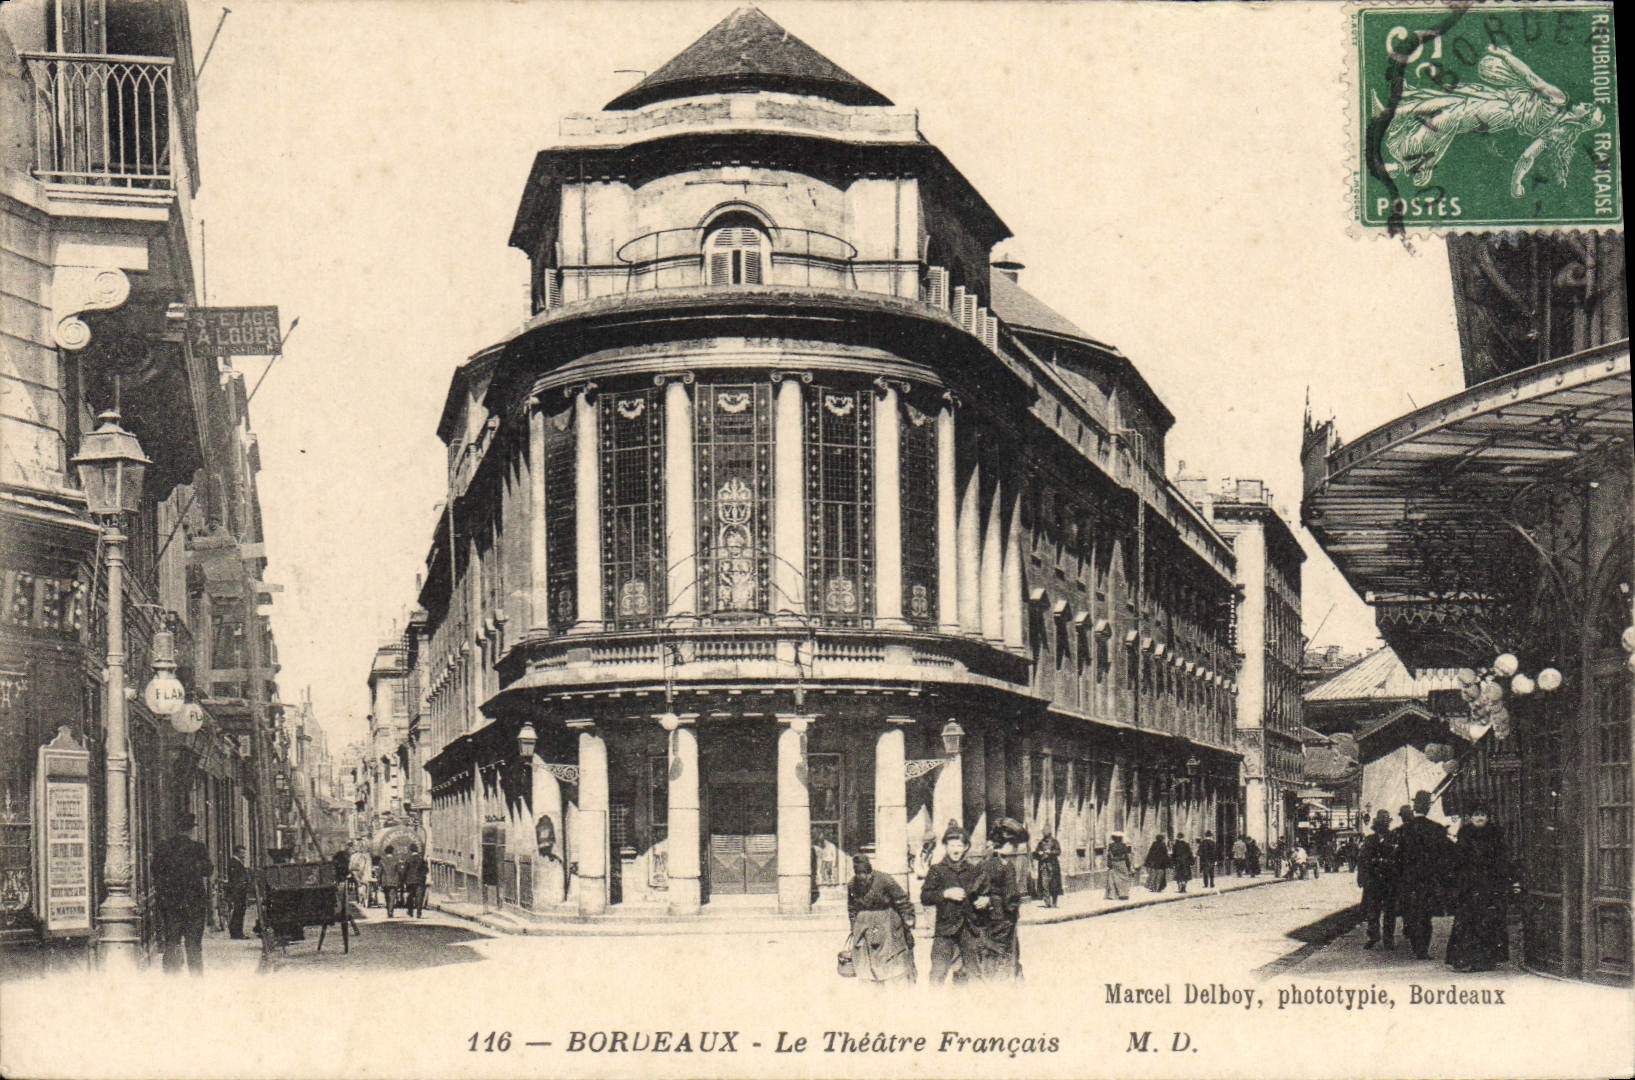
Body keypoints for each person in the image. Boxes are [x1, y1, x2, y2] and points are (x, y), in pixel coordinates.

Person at [1445, 804, 1512, 972]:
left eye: (1482, 814)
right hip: (1469, 885)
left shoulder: (1496, 834)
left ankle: (1487, 960)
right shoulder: (1465, 833)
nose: (1479, 818)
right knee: (1467, 921)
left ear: (1488, 817)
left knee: (1488, 920)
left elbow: (1502, 860)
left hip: (1489, 885)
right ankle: (1464, 959)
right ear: (1470, 817)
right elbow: (1458, 860)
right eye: (1476, 814)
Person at [920, 821, 985, 984]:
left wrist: (985, 900)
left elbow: (982, 893)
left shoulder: (973, 870)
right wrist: (945, 894)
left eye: (959, 845)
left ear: (965, 848)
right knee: (938, 972)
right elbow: (925, 897)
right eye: (952, 845)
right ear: (946, 847)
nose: (956, 849)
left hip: (968, 928)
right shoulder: (937, 870)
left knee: (972, 973)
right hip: (945, 929)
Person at [151, 812, 213, 975]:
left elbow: (155, 871)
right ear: (191, 829)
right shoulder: (198, 848)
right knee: (193, 945)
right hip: (194, 904)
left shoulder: (163, 848)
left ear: (176, 828)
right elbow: (209, 870)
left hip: (170, 903)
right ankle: (196, 980)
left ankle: (171, 979)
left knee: (171, 942)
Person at [842, 854, 917, 985]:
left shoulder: (885, 880)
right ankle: (873, 985)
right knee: (866, 957)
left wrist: (908, 917)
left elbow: (901, 899)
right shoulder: (852, 885)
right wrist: (853, 926)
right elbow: (852, 907)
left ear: (870, 870)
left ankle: (897, 983)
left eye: (865, 873)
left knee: (891, 956)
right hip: (864, 924)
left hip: (886, 921)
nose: (862, 877)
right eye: (859, 873)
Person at [1395, 790, 1452, 959]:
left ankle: (1416, 946)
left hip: (1408, 881)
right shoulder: (1437, 829)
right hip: (1429, 880)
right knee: (1425, 915)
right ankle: (1422, 950)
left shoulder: (1402, 830)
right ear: (1428, 807)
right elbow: (1446, 856)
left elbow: (1397, 858)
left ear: (1414, 806)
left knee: (1411, 913)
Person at [966, 823, 1024, 981]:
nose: (1015, 848)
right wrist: (988, 899)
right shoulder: (994, 864)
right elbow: (974, 889)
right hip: (999, 918)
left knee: (1005, 952)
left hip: (1003, 916)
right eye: (1013, 844)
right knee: (1000, 953)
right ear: (1004, 844)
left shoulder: (1000, 863)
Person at [1358, 810, 1397, 949]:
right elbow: (1362, 859)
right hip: (1373, 881)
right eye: (1381, 823)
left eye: (1385, 823)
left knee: (1389, 911)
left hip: (1389, 880)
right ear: (1377, 825)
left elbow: (1398, 858)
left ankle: (1388, 938)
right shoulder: (1370, 840)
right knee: (1372, 911)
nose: (1383, 825)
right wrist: (1361, 877)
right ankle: (1373, 936)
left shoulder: (1394, 838)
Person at [225, 845, 251, 940]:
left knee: (239, 911)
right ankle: (237, 933)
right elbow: (236, 879)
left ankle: (237, 932)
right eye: (242, 853)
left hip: (240, 890)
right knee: (238, 911)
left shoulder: (237, 862)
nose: (244, 855)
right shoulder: (234, 863)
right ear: (237, 853)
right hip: (238, 891)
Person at [1032, 830, 1063, 908]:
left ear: (1049, 835)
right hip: (1043, 866)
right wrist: (1038, 853)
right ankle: (1047, 903)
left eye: (1047, 836)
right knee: (1044, 884)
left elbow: (1058, 851)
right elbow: (1035, 854)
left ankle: (1054, 902)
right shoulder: (1041, 843)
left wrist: (1051, 852)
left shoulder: (1054, 842)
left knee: (1054, 884)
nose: (1045, 838)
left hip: (1052, 866)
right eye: (1044, 835)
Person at [1105, 832, 1135, 900]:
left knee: (1114, 879)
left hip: (1114, 863)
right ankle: (1123, 894)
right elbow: (1126, 857)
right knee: (1124, 878)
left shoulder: (1111, 846)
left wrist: (1109, 864)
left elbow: (1109, 855)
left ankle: (1113, 895)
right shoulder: (1123, 846)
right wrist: (1129, 866)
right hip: (1122, 863)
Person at [402, 843, 429, 918]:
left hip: (410, 881)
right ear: (417, 850)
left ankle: (410, 912)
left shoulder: (408, 859)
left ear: (410, 850)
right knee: (419, 897)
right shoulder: (421, 859)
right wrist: (422, 876)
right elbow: (426, 870)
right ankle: (418, 913)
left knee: (410, 897)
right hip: (420, 881)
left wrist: (404, 880)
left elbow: (404, 871)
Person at [381, 844, 403, 918]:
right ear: (392, 852)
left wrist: (379, 881)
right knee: (392, 896)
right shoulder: (396, 860)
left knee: (387, 896)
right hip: (394, 881)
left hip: (385, 881)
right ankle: (390, 911)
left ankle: (388, 910)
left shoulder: (382, 860)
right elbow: (400, 871)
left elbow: (380, 872)